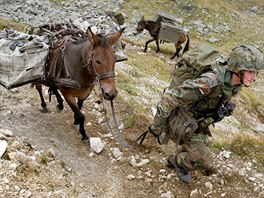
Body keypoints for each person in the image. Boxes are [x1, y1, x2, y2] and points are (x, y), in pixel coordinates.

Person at [147, 44, 264, 184]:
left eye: (256, 73)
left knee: (202, 148)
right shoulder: (209, 82)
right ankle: (177, 161)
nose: (254, 78)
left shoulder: (235, 83)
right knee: (206, 161)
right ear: (237, 69)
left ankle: (180, 154)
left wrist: (218, 113)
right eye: (250, 72)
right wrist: (157, 127)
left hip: (194, 120)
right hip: (179, 117)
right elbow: (170, 97)